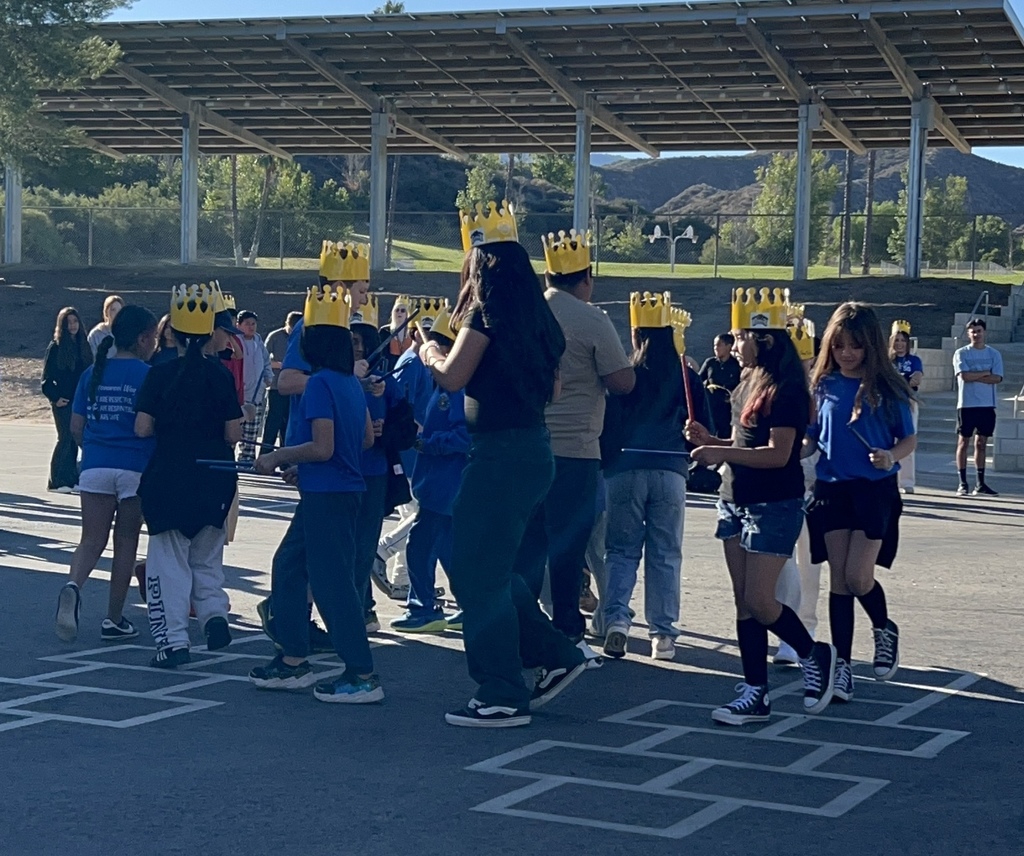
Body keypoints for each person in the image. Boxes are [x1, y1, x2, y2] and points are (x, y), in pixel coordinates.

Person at [422, 203, 587, 728]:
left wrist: (427, 351)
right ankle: (555, 653)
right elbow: (556, 389)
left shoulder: (483, 314)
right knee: (491, 567)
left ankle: (500, 688)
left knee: (476, 572)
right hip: (532, 447)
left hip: (499, 454)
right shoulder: (540, 319)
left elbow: (452, 376)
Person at [686, 288, 836, 724]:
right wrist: (711, 442)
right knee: (743, 602)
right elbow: (744, 442)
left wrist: (720, 454)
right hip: (734, 498)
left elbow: (779, 455)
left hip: (773, 503)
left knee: (760, 598)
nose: (734, 346)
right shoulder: (748, 380)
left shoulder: (788, 387)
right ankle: (755, 691)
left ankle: (814, 654)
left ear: (764, 338)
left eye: (739, 338)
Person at [250, 285, 383, 703]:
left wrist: (279, 456)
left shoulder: (322, 384)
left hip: (329, 495)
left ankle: (361, 673)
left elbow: (323, 446)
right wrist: (302, 467)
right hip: (333, 489)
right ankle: (293, 659)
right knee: (289, 566)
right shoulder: (347, 383)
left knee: (331, 583)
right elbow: (362, 439)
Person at [522, 229, 634, 646]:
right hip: (577, 449)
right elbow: (621, 381)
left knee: (529, 540)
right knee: (568, 543)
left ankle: (525, 617)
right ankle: (567, 624)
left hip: (530, 444)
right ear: (586, 277)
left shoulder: (529, 312)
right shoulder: (592, 319)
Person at [807, 301, 915, 702]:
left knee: (857, 577)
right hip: (832, 488)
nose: (847, 353)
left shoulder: (888, 389)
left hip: (875, 489)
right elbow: (812, 434)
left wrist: (891, 456)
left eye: (855, 346)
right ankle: (843, 667)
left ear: (871, 345)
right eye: (839, 346)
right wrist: (794, 449)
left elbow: (909, 438)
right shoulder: (822, 385)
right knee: (838, 580)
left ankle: (884, 628)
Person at [134, 284, 243, 669]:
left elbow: (143, 428)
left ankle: (174, 642)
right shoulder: (220, 376)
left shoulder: (160, 374)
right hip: (215, 475)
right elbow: (234, 433)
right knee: (207, 555)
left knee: (169, 561)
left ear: (173, 332)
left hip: (170, 474)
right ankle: (214, 615)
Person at [599, 292, 706, 663]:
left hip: (625, 468)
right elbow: (705, 425)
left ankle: (615, 619)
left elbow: (607, 422)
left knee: (622, 550)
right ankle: (663, 635)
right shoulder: (686, 375)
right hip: (671, 468)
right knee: (665, 553)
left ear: (635, 334)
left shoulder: (626, 374)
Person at [55, 306, 159, 643]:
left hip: (96, 464)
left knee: (91, 539)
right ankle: (114, 618)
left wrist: (94, 447)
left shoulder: (93, 374)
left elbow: (75, 427)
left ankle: (73, 585)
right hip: (134, 467)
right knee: (125, 542)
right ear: (144, 339)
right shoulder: (147, 375)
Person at [391, 303, 469, 632]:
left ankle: (423, 606)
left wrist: (428, 443)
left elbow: (465, 436)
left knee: (420, 544)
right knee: (450, 547)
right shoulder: (443, 386)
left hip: (446, 480)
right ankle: (468, 602)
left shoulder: (459, 389)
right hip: (437, 480)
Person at [374, 302, 437, 601]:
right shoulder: (412, 363)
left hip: (422, 451)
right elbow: (399, 404)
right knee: (420, 513)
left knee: (411, 515)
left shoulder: (424, 363)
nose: (429, 338)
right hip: (412, 452)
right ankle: (383, 549)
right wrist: (417, 429)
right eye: (424, 331)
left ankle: (402, 580)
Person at [42, 307, 93, 493]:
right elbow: (46, 380)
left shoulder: (84, 346)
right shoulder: (55, 347)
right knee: (64, 438)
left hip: (80, 401)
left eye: (75, 322)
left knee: (75, 439)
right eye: (68, 323)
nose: (72, 326)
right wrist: (56, 398)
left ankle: (70, 479)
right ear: (62, 326)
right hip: (63, 402)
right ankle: (56, 481)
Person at [953, 318, 1002, 497]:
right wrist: (984, 373)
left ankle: (980, 484)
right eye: (973, 331)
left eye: (979, 331)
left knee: (981, 443)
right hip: (966, 404)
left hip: (986, 405)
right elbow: (964, 376)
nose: (976, 334)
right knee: (963, 442)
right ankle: (962, 483)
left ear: (984, 332)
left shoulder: (994, 354)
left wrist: (976, 376)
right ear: (968, 334)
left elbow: (997, 378)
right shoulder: (961, 353)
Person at [889, 320, 924, 495]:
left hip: (907, 402)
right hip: (888, 403)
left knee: (908, 439)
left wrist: (898, 382)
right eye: (897, 340)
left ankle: (906, 481)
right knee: (888, 442)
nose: (900, 344)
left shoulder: (914, 360)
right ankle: (889, 479)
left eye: (903, 341)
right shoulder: (886, 361)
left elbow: (916, 379)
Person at [236, 309, 274, 465]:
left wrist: (268, 377)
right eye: (247, 324)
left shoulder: (258, 341)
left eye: (253, 324)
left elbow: (266, 361)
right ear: (238, 325)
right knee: (237, 428)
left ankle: (247, 458)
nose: (251, 327)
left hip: (256, 393)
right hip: (239, 393)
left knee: (252, 430)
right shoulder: (235, 341)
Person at [262, 311, 301, 453]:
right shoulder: (275, 336)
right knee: (273, 422)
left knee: (288, 424)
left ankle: (285, 457)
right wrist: (279, 365)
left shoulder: (302, 338)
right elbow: (263, 359)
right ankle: (265, 454)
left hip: (294, 387)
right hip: (276, 386)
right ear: (287, 324)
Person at [699, 333, 742, 439]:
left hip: (728, 408)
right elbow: (699, 380)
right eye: (714, 345)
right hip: (711, 406)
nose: (715, 348)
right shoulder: (710, 363)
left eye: (718, 345)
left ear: (729, 346)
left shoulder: (737, 365)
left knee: (725, 433)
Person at [380, 295, 415, 373]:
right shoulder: (385, 331)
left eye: (403, 310)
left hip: (407, 369)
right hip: (389, 370)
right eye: (397, 310)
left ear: (407, 314)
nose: (399, 312)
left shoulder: (412, 332)